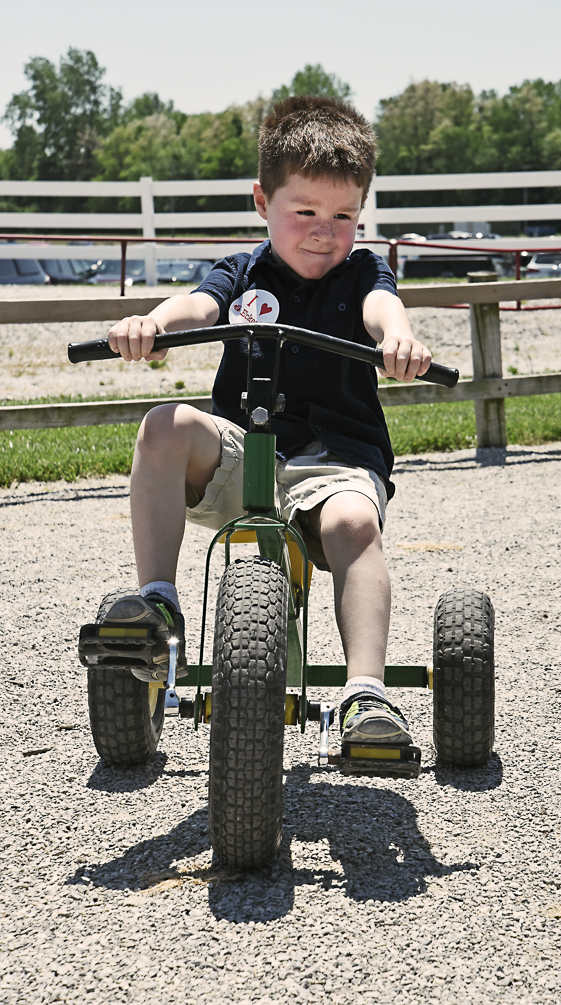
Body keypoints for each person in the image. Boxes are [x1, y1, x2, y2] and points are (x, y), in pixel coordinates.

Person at [98, 96, 432, 747]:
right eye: (304, 211)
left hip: (335, 460)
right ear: (262, 202)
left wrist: (400, 340)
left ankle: (366, 694)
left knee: (355, 522)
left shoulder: (363, 269)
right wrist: (154, 325)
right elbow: (197, 305)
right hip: (242, 455)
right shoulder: (243, 271)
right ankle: (157, 609)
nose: (323, 231)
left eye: (343, 215)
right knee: (164, 424)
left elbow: (382, 309)